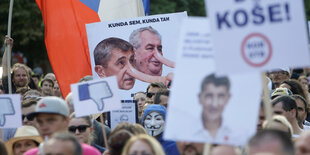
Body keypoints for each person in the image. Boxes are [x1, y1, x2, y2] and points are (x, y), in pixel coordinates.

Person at [194, 73, 232, 142]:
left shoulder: (238, 134)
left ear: (228, 98)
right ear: (200, 97)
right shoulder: (185, 132)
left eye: (220, 96)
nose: (214, 104)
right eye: (209, 96)